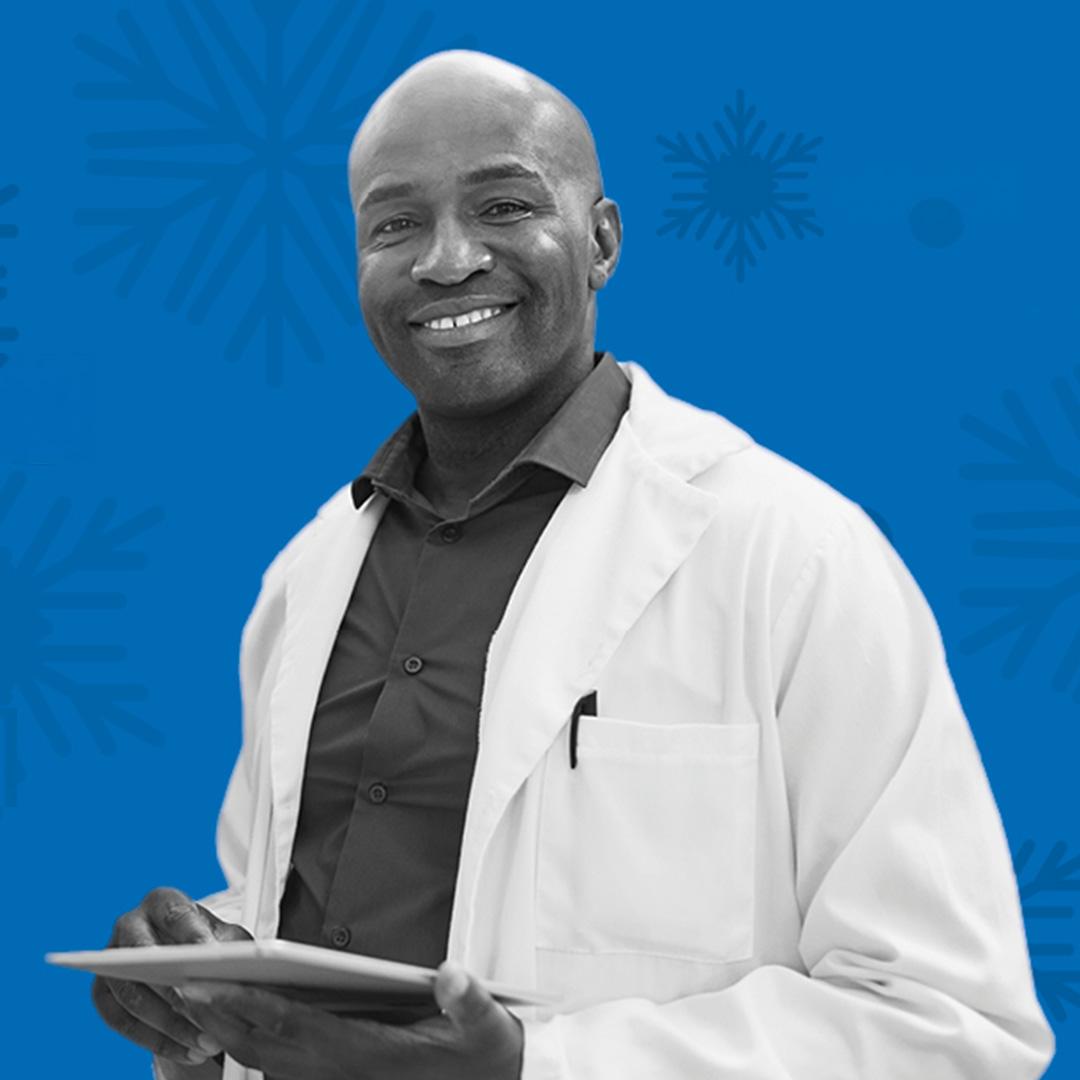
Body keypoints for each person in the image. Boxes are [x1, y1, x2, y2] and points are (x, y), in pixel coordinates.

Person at [91, 49, 1055, 1080]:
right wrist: (200, 975)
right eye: (395, 223)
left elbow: (949, 1025)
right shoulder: (309, 575)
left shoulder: (796, 556)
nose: (447, 260)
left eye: (502, 205)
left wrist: (529, 1069)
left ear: (601, 242)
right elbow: (312, 904)